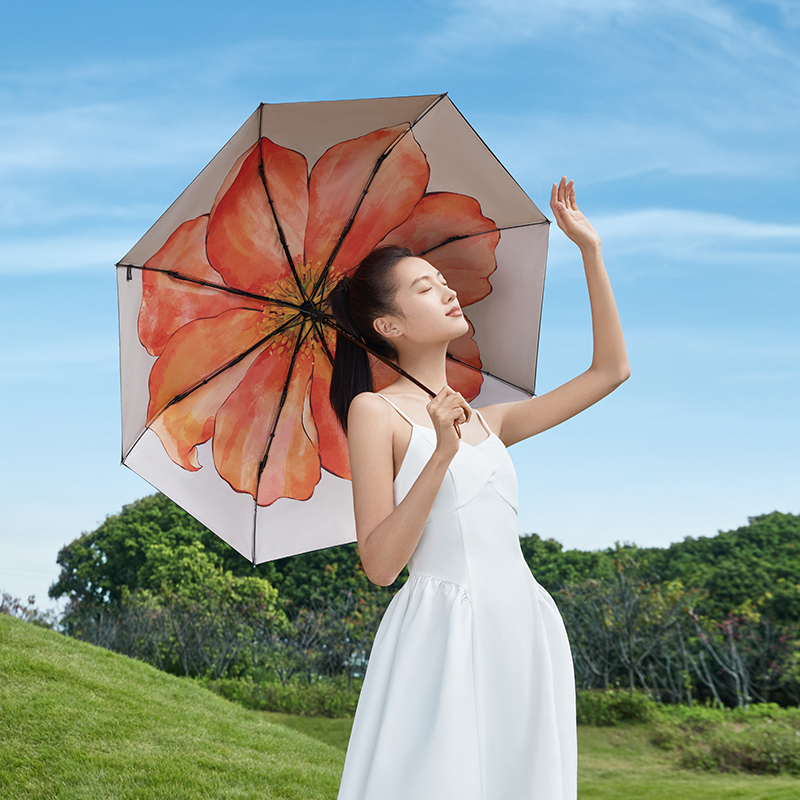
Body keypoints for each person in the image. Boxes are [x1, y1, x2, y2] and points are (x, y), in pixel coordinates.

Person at [327, 178, 629, 800]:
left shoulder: (490, 419)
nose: (448, 290)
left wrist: (590, 253)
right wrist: (439, 452)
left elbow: (610, 371)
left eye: (442, 281)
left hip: (522, 623)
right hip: (444, 630)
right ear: (389, 324)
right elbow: (381, 565)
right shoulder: (373, 413)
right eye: (425, 287)